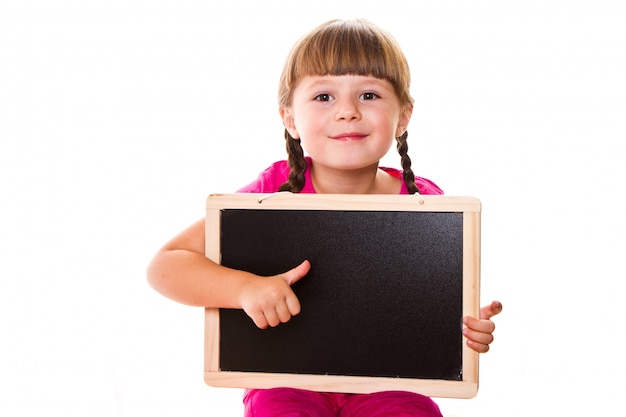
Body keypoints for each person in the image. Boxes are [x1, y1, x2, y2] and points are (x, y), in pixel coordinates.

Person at [147, 18, 502, 417]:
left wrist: (461, 324)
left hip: (392, 382)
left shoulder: (425, 201)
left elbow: (431, 304)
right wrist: (243, 289)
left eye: (369, 94)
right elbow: (166, 267)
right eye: (323, 97)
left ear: (403, 116)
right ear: (290, 118)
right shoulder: (273, 192)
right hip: (285, 381)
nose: (347, 112)